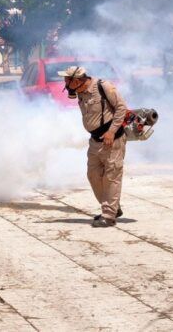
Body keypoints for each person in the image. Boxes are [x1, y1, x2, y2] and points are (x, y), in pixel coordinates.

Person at [59, 66, 127, 228]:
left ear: (76, 80)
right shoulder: (80, 91)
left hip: (112, 139)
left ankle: (109, 215)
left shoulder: (104, 87)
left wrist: (111, 131)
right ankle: (112, 207)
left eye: (67, 80)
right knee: (93, 175)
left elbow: (121, 108)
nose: (65, 83)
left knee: (111, 176)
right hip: (95, 140)